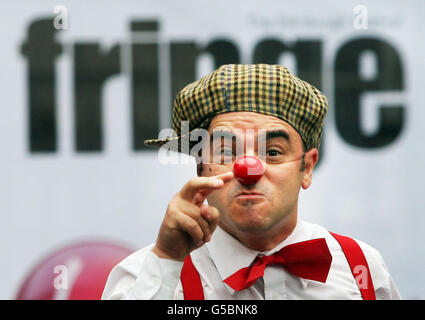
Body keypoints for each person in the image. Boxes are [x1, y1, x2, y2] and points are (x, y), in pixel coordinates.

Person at [102, 64, 401, 300]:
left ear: (307, 167)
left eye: (272, 152)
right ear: (202, 169)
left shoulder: (362, 269)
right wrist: (166, 262)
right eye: (226, 152)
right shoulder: (145, 276)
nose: (249, 169)